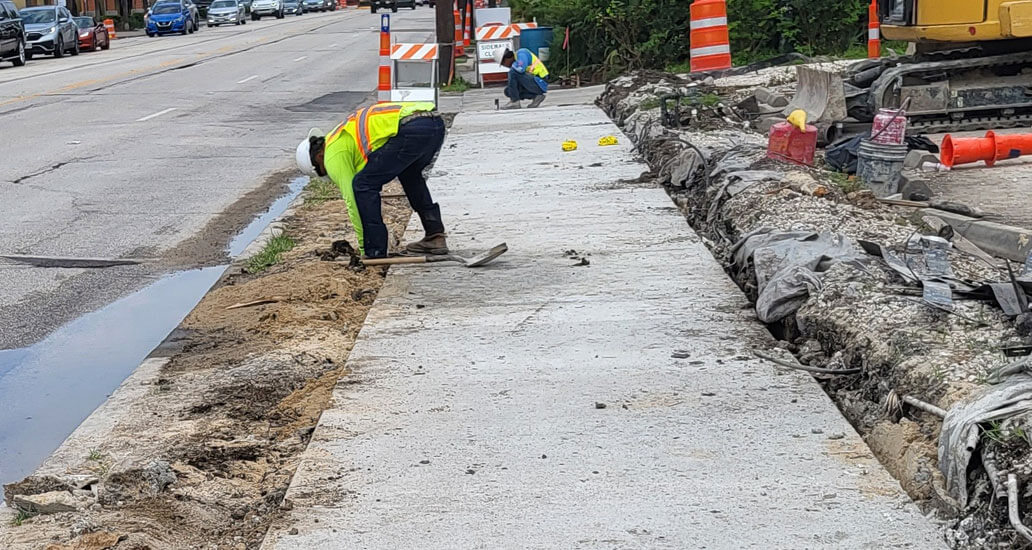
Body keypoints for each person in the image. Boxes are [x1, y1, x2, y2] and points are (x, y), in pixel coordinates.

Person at [295, 102, 448, 259]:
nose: (329, 173)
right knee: (410, 175)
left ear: (319, 158)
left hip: (410, 130)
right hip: (434, 124)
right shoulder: (340, 134)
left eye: (323, 171)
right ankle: (435, 236)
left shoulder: (331, 154)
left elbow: (353, 201)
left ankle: (375, 250)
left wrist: (364, 248)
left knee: (363, 185)